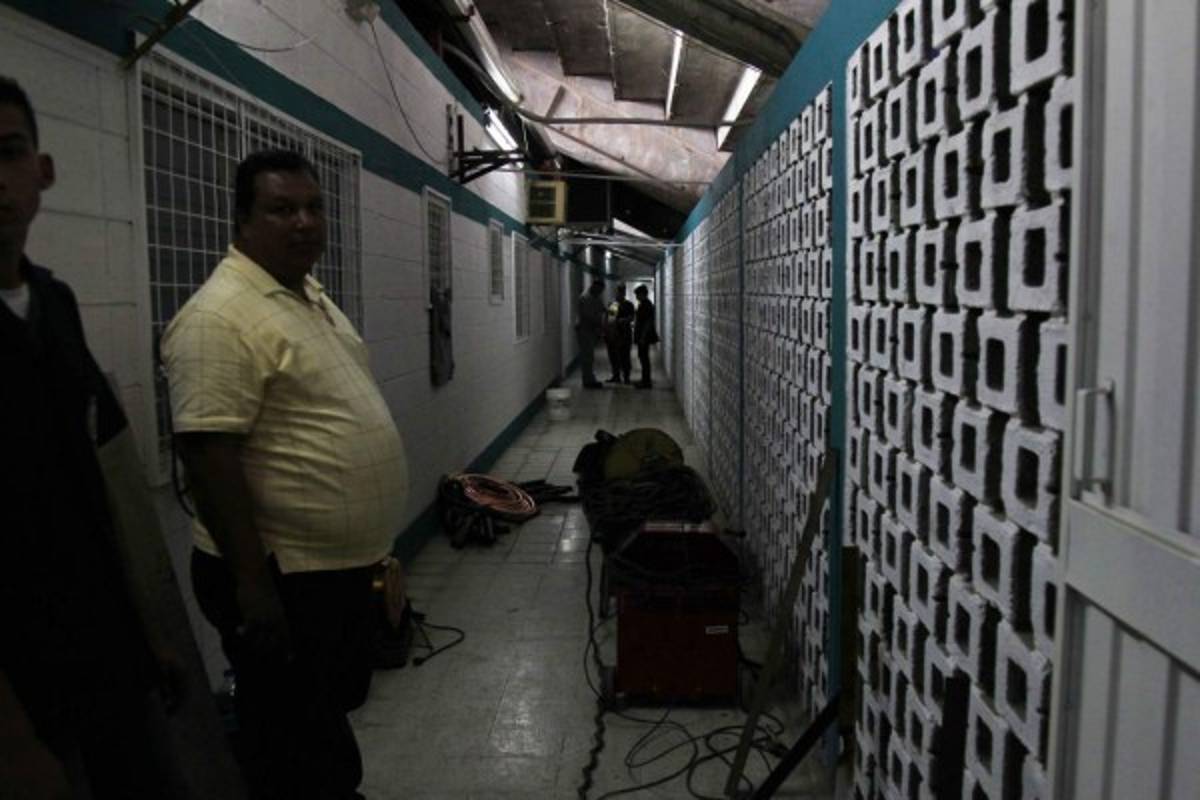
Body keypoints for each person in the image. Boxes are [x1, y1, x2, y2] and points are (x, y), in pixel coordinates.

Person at [162, 149, 409, 800]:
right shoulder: (221, 315)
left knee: (320, 705)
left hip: (329, 573)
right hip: (279, 576)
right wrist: (253, 588)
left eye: (313, 207)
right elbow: (208, 455)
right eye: (281, 209)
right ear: (242, 221)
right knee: (292, 733)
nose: (303, 222)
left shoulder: (305, 295)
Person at [0, 75, 179, 798]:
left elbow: (96, 488)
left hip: (103, 656)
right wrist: (11, 745)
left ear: (42, 172)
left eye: (7, 152)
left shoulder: (54, 305)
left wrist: (146, 635)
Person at [576, 278, 606, 389]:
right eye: (600, 290)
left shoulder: (595, 297)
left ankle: (589, 379)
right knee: (587, 356)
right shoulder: (585, 298)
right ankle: (588, 381)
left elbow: (602, 309)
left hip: (590, 330)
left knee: (589, 356)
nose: (600, 293)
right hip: (584, 330)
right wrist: (600, 325)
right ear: (595, 287)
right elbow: (587, 316)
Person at [604, 283, 635, 384]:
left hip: (625, 334)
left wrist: (623, 320)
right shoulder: (614, 305)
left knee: (625, 356)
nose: (621, 293)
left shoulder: (628, 305)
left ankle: (626, 377)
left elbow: (632, 318)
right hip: (614, 334)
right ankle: (616, 376)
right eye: (619, 291)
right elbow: (610, 320)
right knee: (614, 356)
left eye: (622, 291)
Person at [633, 284, 659, 389]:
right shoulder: (644, 304)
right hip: (643, 336)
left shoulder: (646, 305)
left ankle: (646, 382)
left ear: (642, 294)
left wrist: (643, 337)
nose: (636, 297)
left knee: (644, 358)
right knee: (643, 357)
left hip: (644, 336)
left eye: (637, 294)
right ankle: (644, 380)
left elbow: (648, 322)